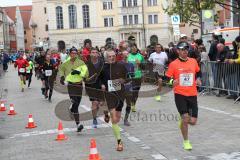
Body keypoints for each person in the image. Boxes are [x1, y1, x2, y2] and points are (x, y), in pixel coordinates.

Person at [166, 41, 202, 150]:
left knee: (193, 122)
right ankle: (186, 141)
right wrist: (172, 81)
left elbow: (198, 72)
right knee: (186, 118)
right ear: (178, 51)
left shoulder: (193, 61)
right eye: (182, 49)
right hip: (180, 94)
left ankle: (182, 121)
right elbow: (167, 78)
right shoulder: (173, 64)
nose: (184, 51)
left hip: (192, 94)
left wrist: (199, 79)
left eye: (186, 49)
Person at [100, 49, 128, 151]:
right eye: (110, 56)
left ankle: (105, 112)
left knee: (117, 118)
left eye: (113, 56)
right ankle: (119, 142)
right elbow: (99, 80)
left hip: (120, 94)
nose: (112, 57)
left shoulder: (121, 66)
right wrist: (102, 85)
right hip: (109, 94)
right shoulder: (103, 67)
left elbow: (127, 78)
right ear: (106, 57)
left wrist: (123, 80)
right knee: (114, 119)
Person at [59, 47, 89, 132]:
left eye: (75, 53)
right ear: (69, 54)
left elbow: (86, 74)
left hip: (79, 85)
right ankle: (78, 124)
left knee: (76, 105)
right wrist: (61, 77)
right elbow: (61, 69)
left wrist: (79, 72)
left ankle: (72, 110)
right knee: (74, 102)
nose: (74, 55)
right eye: (72, 53)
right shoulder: (66, 62)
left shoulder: (81, 62)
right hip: (71, 85)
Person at [85, 48, 104, 128]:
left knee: (100, 103)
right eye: (93, 52)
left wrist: (103, 84)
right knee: (94, 103)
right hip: (90, 86)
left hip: (100, 85)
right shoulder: (86, 64)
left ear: (98, 54)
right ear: (90, 54)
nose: (94, 54)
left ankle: (99, 112)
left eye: (96, 52)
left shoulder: (102, 63)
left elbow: (104, 74)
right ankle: (94, 119)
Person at [127, 44, 145, 112]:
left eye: (135, 47)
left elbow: (144, 67)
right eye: (132, 47)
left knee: (136, 92)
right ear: (131, 49)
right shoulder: (128, 56)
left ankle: (133, 104)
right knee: (131, 91)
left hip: (138, 76)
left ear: (137, 48)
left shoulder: (140, 56)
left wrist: (140, 63)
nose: (134, 49)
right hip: (129, 76)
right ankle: (131, 103)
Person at [119, 50, 134, 126]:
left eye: (127, 54)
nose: (125, 56)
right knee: (119, 104)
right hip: (120, 86)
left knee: (128, 104)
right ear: (122, 55)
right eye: (124, 54)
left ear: (128, 55)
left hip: (128, 86)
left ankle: (126, 119)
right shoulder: (118, 64)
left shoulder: (131, 64)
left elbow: (133, 75)